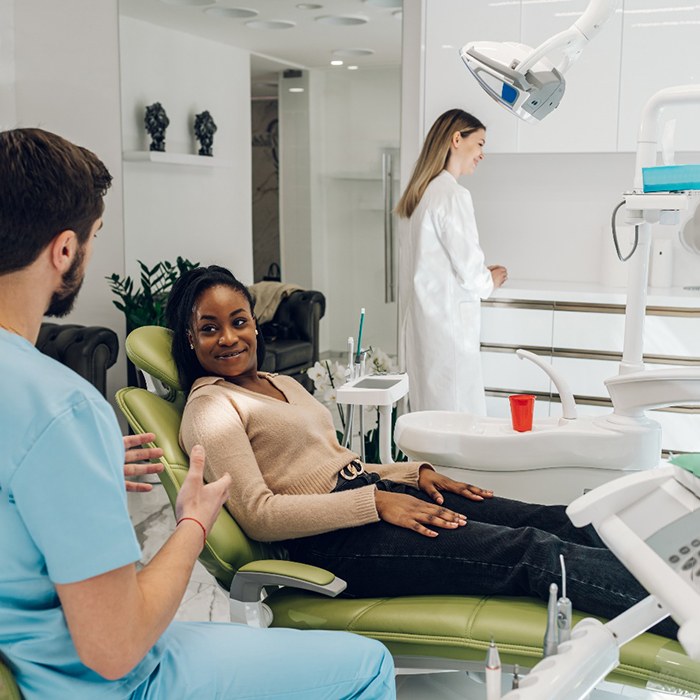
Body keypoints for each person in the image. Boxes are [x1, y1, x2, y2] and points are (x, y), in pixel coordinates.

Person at [0, 128, 395, 700]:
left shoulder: (45, 419)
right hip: (109, 684)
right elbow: (115, 647)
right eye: (93, 238)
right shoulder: (61, 407)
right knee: (369, 666)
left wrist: (72, 474)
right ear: (65, 250)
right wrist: (192, 521)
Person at [171, 264, 676, 639]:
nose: (229, 338)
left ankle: (680, 566)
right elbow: (259, 515)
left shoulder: (281, 383)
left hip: (375, 499)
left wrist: (414, 475)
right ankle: (679, 611)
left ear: (256, 323)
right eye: (209, 328)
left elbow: (334, 462)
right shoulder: (212, 407)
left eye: (238, 321)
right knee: (528, 551)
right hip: (332, 541)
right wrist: (374, 503)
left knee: (555, 519)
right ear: (189, 340)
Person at [396, 108, 508, 414]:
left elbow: (436, 264)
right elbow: (471, 272)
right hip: (449, 333)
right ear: (457, 139)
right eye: (481, 143)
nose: (482, 154)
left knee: (431, 420)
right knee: (459, 422)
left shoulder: (424, 196)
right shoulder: (452, 195)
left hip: (427, 330)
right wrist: (490, 280)